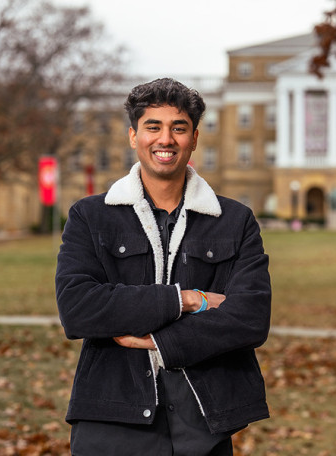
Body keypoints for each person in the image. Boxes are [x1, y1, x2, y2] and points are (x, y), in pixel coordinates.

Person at [55, 77, 271, 455]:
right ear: (133, 136)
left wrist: (158, 340)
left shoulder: (235, 221)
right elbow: (78, 308)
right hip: (110, 413)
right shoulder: (90, 216)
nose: (165, 139)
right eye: (152, 126)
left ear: (195, 138)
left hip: (204, 419)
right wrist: (186, 300)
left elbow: (250, 317)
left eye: (178, 128)